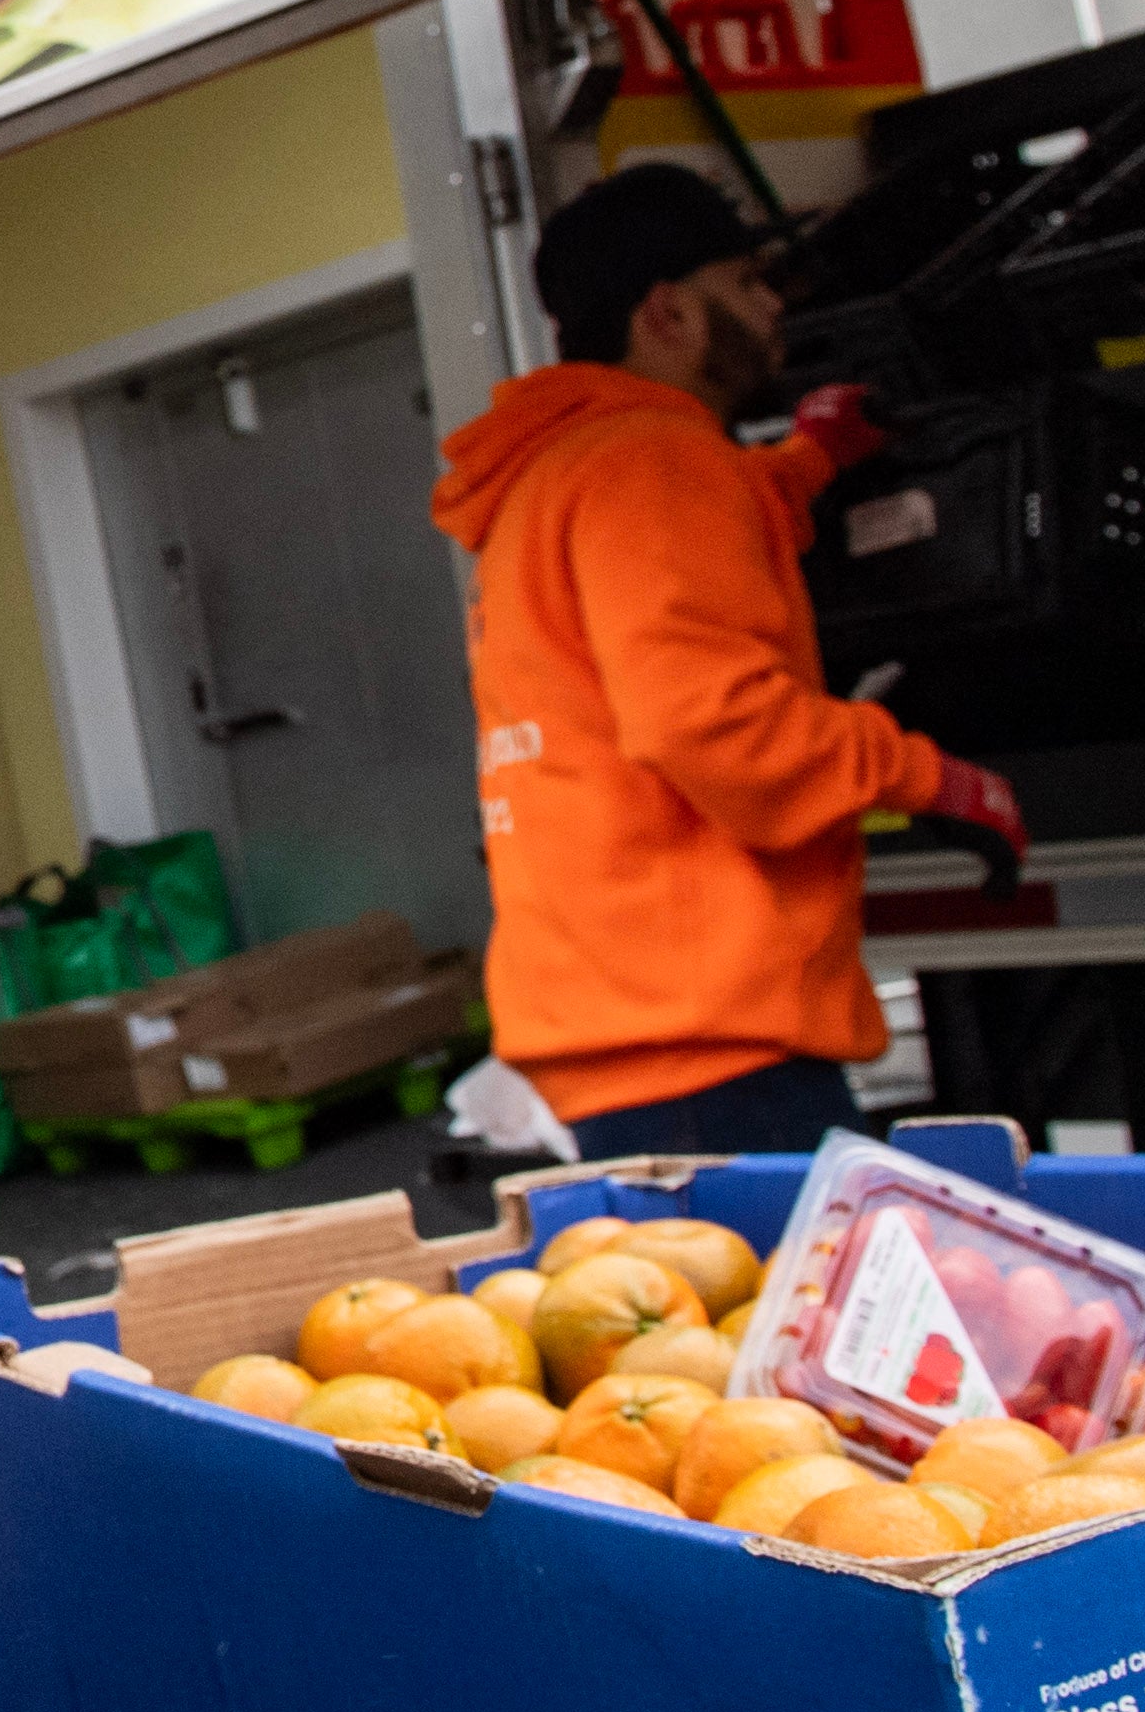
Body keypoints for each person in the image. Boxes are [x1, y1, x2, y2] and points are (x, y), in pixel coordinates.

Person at [427, 163, 1022, 1157]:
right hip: (710, 1044)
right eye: (746, 282)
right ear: (669, 311)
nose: (772, 303)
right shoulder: (658, 463)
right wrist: (933, 779)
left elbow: (670, 576)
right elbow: (716, 722)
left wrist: (809, 461)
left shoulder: (562, 472)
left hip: (622, 1020)